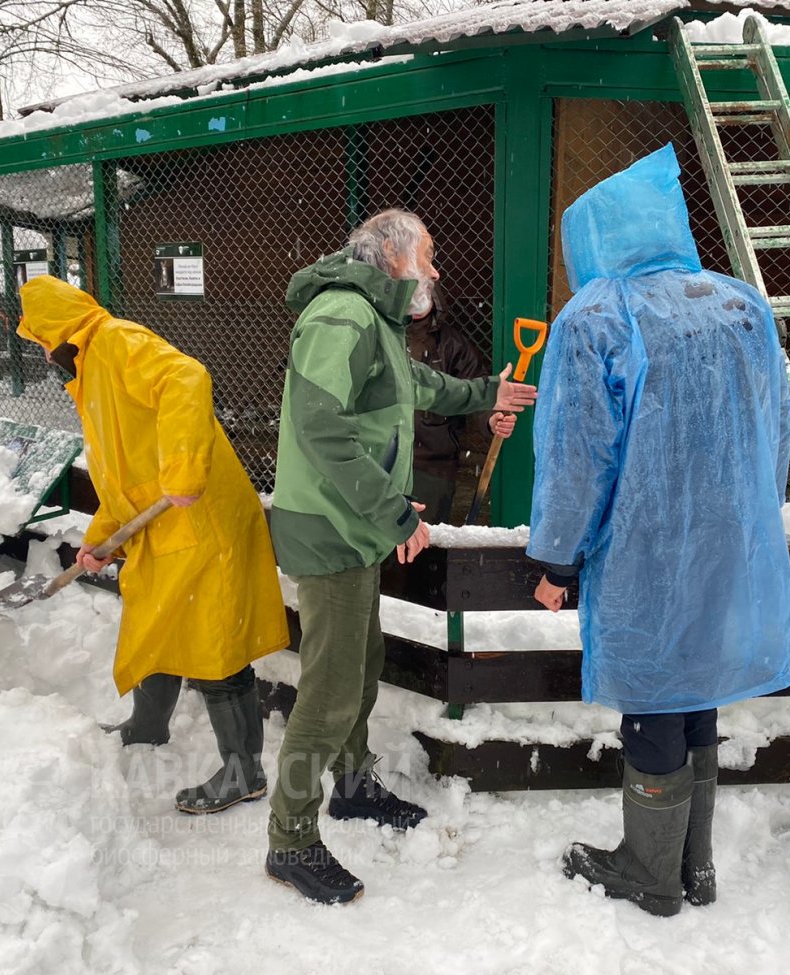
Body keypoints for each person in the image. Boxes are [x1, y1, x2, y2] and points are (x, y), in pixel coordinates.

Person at [527, 145, 790, 917]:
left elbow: (580, 455)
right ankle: (697, 865)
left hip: (647, 544)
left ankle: (651, 874)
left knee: (652, 693)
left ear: (595, 238)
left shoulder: (599, 315)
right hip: (731, 538)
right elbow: (775, 427)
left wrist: (555, 554)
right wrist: (755, 508)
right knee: (697, 688)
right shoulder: (742, 302)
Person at [264, 209, 537, 905]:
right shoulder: (342, 318)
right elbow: (322, 431)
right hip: (331, 529)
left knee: (363, 666)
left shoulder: (376, 321)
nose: (438, 270)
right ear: (393, 258)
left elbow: (415, 388)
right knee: (328, 690)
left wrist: (487, 396)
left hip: (350, 522)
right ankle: (289, 839)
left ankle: (353, 787)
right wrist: (389, 511)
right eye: (431, 255)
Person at [16, 275, 290, 815]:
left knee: (214, 645)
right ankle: (148, 726)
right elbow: (124, 476)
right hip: (162, 524)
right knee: (156, 618)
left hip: (201, 516)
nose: (46, 356)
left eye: (43, 342)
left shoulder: (116, 341)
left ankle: (244, 771)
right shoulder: (89, 375)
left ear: (61, 331)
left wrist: (185, 468)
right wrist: (98, 544)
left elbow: (186, 378)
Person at [406, 286, 513, 523]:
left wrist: (490, 418)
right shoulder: (381, 335)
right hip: (383, 459)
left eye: (423, 291)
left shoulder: (451, 344)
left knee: (427, 542)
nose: (417, 298)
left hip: (431, 463)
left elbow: (474, 386)